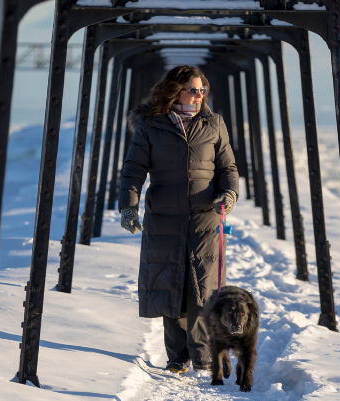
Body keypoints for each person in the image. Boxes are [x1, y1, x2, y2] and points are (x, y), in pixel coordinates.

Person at [117, 65, 239, 374]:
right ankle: (177, 356)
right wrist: (129, 206)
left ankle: (203, 352)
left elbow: (228, 168)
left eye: (202, 91)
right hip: (164, 218)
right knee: (170, 285)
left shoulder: (214, 124)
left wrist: (229, 196)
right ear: (175, 91)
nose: (199, 96)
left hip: (205, 217)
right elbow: (133, 169)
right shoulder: (151, 125)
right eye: (193, 90)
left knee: (203, 286)